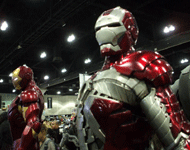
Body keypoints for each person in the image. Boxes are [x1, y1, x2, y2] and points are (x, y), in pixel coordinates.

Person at [73, 6, 190, 150]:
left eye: (113, 25)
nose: (105, 31)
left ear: (131, 31)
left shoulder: (141, 67)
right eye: (100, 28)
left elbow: (176, 135)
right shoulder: (93, 80)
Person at [8, 65, 44, 150]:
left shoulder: (29, 94)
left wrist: (22, 147)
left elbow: (34, 124)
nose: (14, 82)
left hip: (24, 145)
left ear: (26, 77)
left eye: (16, 79)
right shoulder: (34, 92)